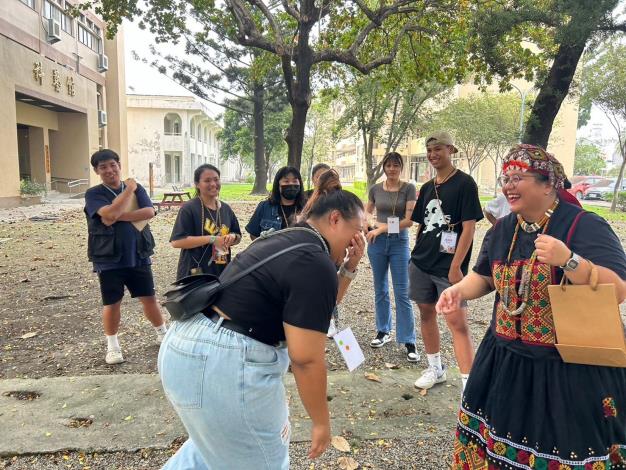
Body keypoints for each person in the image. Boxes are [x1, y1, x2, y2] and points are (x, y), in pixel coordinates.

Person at [158, 173, 365, 469]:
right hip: (226, 362)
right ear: (335, 219)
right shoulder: (314, 262)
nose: (357, 241)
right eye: (357, 231)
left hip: (184, 345)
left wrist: (349, 267)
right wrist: (320, 422)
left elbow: (316, 310)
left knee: (208, 453)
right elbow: (306, 359)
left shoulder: (285, 239)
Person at [439, 144, 626, 470]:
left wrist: (570, 261)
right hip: (504, 364)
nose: (507, 186)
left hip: (566, 371)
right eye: (504, 179)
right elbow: (484, 278)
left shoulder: (583, 226)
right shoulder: (502, 230)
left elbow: (619, 290)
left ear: (548, 184)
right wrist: (457, 292)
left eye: (517, 178)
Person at [409, 132, 483, 390]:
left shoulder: (465, 184)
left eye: (438, 149)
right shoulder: (428, 187)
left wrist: (456, 266)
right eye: (429, 150)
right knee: (426, 313)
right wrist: (414, 256)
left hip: (448, 267)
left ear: (451, 149)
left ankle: (468, 383)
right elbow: (421, 226)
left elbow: (469, 227)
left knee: (456, 322)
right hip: (421, 262)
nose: (432, 155)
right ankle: (435, 367)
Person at [84, 149, 166, 365]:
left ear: (119, 165)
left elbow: (149, 212)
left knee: (149, 297)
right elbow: (107, 214)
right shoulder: (94, 194)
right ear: (97, 171)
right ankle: (112, 346)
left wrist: (115, 216)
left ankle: (163, 334)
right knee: (112, 302)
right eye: (103, 167)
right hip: (109, 257)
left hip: (138, 254)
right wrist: (129, 189)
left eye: (113, 165)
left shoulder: (140, 189)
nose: (109, 170)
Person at [365, 152, 418, 362]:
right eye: (388, 165)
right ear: (384, 167)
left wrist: (380, 228)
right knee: (380, 288)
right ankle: (383, 330)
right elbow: (367, 212)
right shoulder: (376, 189)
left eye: (396, 165)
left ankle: (408, 339)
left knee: (402, 292)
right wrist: (367, 225)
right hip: (376, 244)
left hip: (399, 243)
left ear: (401, 167)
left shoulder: (408, 188)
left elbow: (408, 221)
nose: (392, 169)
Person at [170, 164, 241, 280]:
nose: (213, 184)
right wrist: (212, 239)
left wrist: (232, 237)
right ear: (197, 184)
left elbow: (238, 235)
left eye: (216, 179)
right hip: (195, 272)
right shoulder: (189, 208)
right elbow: (177, 242)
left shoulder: (226, 209)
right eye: (207, 181)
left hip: (222, 271)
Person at [246, 166, 305, 240]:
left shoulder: (308, 208)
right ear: (278, 185)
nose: (291, 184)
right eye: (286, 181)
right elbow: (253, 235)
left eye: (295, 181)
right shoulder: (264, 207)